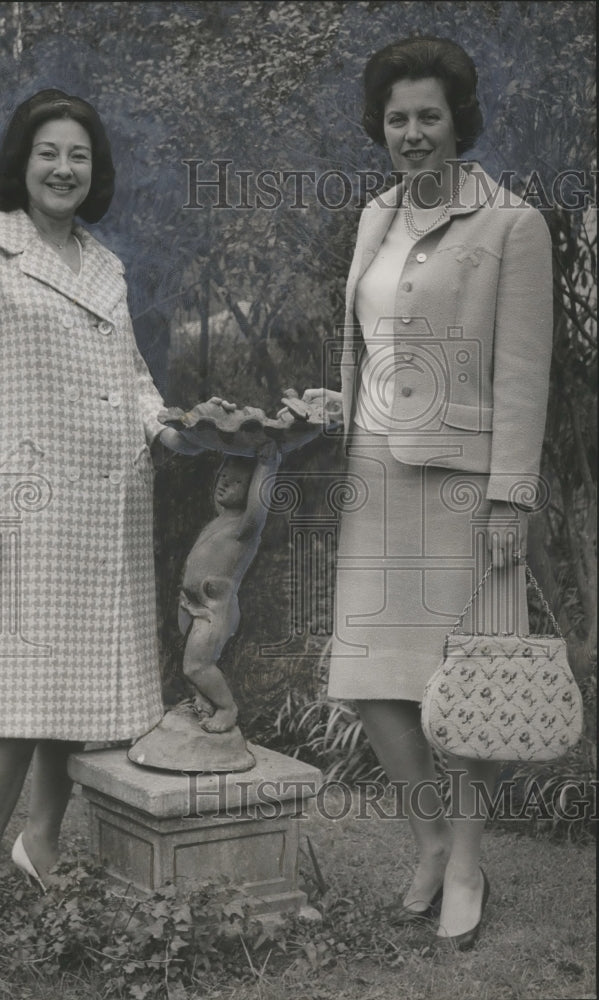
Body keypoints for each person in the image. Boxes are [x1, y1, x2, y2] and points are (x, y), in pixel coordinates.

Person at [304, 36, 553, 949]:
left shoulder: (510, 226)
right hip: (373, 474)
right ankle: (429, 837)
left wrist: (509, 497)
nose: (411, 133)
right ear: (381, 126)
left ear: (458, 122)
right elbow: (370, 341)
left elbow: (524, 372)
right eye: (396, 118)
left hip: (466, 486)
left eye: (428, 116)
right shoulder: (374, 215)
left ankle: (463, 862)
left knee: (472, 681)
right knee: (372, 680)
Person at [0, 89, 198, 930]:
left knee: (76, 689)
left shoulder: (104, 265)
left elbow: (134, 378)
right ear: (22, 161)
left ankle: (41, 843)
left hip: (110, 505)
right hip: (27, 504)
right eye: (48, 152)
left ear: (95, 170)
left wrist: (171, 427)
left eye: (78, 155)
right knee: (22, 687)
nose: (63, 169)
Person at [178, 445, 281, 733]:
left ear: (250, 491)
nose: (224, 482)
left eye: (236, 482)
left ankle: (227, 708)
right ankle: (204, 699)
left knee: (196, 665)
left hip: (215, 610)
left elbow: (258, 508)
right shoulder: (221, 518)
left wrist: (267, 464)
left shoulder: (244, 527)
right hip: (192, 604)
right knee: (193, 657)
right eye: (224, 476)